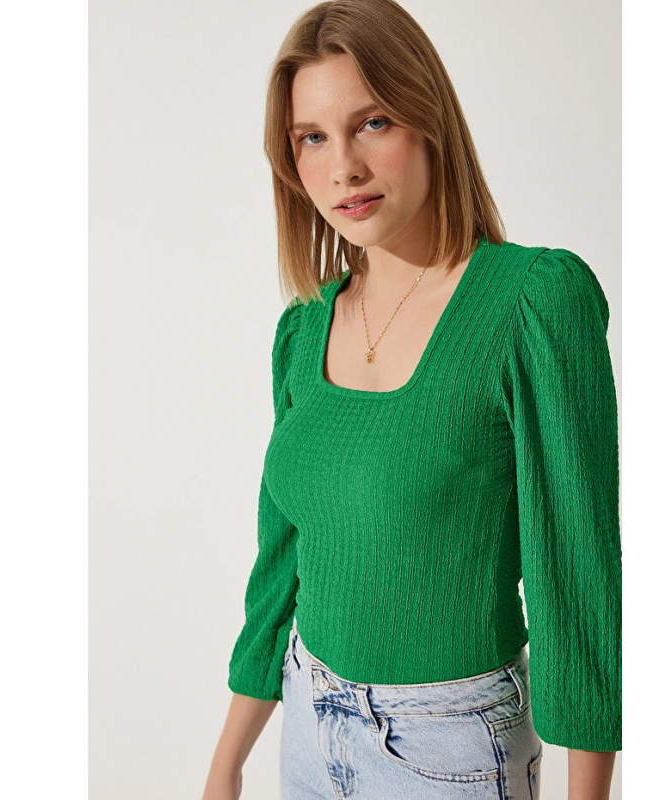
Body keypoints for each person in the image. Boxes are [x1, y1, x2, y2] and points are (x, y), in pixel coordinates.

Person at [202, 1, 621, 798]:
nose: (343, 168)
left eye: (373, 123)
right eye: (311, 138)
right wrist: (226, 763)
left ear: (429, 120)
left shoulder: (532, 303)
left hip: (448, 751)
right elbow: (282, 562)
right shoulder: (303, 330)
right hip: (306, 724)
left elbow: (576, 576)